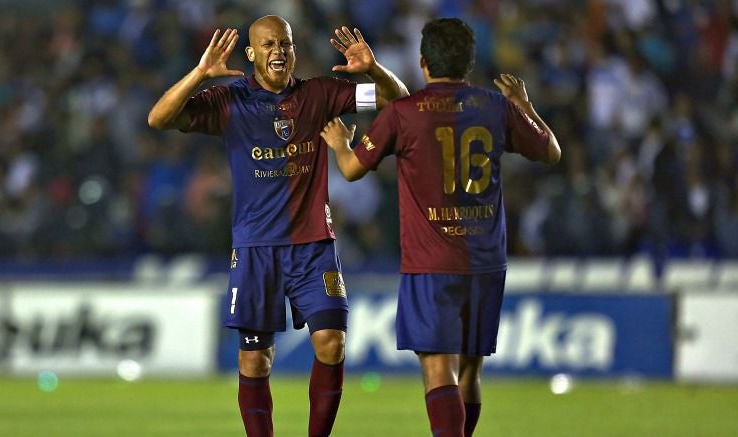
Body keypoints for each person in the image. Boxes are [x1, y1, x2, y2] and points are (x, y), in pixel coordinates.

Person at [147, 15, 408, 437]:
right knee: (254, 361)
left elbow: (396, 100)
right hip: (255, 248)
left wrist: (373, 68)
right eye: (268, 45)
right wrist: (199, 73)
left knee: (332, 344)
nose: (279, 52)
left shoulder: (321, 93)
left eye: (285, 44)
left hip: (313, 245)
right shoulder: (228, 101)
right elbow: (159, 119)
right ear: (251, 54)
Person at [320, 18, 560, 437]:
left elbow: (353, 168)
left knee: (438, 370)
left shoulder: (404, 114)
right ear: (469, 63)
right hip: (486, 260)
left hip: (431, 262)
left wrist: (340, 144)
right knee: (469, 370)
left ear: (422, 61)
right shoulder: (494, 106)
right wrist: (524, 105)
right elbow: (551, 151)